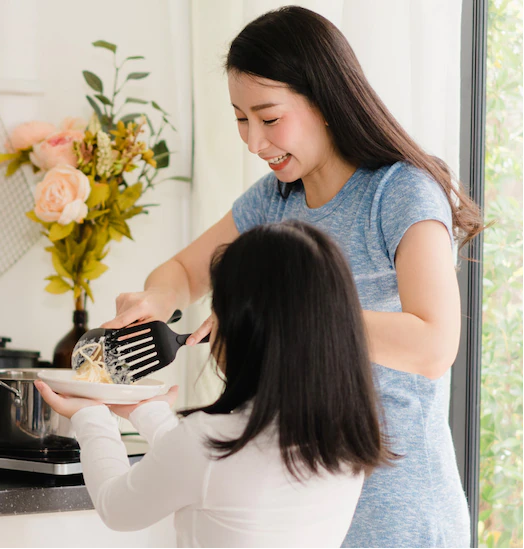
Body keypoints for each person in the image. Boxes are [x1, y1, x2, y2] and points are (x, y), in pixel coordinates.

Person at [94, 6, 480, 547]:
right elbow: (183, 270)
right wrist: (158, 299)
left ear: (324, 101)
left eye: (269, 118)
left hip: (395, 511)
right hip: (291, 506)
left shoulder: (400, 191)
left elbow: (434, 344)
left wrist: (292, 316)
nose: (253, 142)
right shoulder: (275, 201)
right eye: (239, 118)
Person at [37, 220, 392, 547]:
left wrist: (91, 416)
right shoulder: (346, 441)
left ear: (245, 326)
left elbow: (118, 507)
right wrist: (151, 414)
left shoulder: (209, 443)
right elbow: (207, 470)